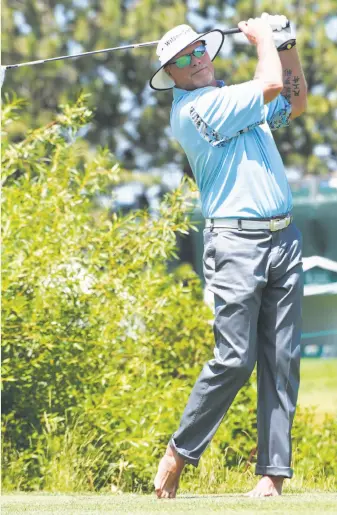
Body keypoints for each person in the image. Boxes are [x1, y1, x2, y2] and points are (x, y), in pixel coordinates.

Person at [149, 14, 307, 498]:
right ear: (170, 76)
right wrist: (262, 39)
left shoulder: (235, 101)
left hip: (283, 237)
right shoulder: (198, 109)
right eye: (183, 59)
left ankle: (272, 478)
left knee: (282, 360)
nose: (196, 61)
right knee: (235, 358)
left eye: (199, 51)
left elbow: (293, 101)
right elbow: (271, 83)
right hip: (236, 243)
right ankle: (180, 451)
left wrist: (286, 41)